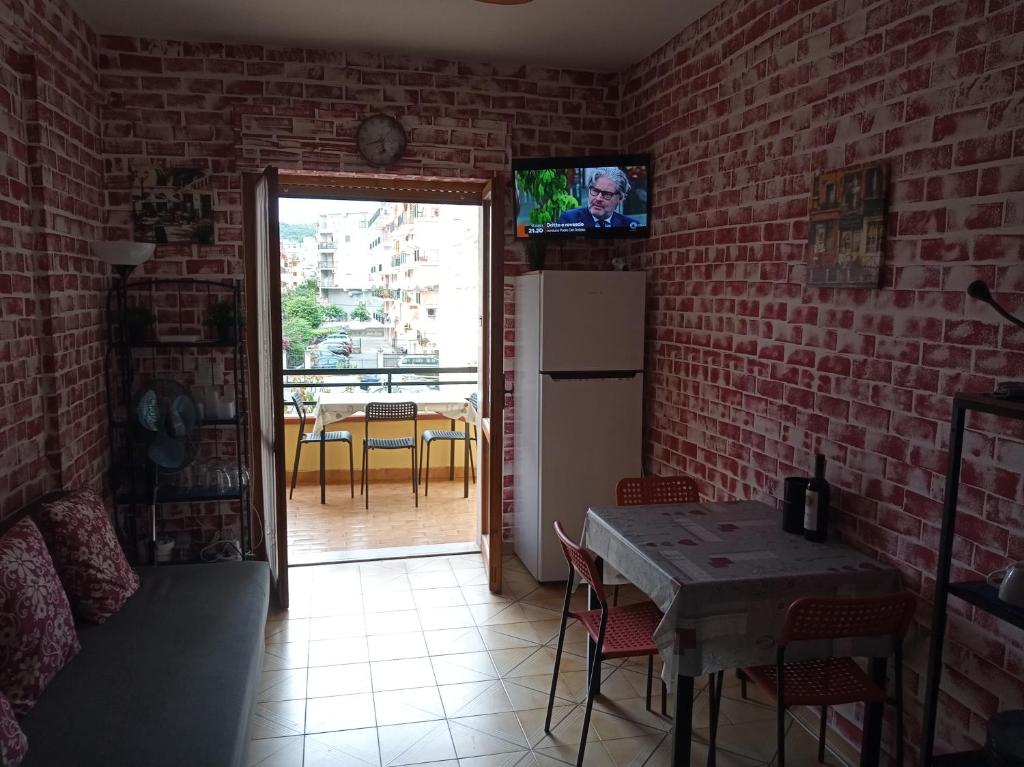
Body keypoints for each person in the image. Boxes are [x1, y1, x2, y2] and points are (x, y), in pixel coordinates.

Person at [557, 167, 639, 229]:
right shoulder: (569, 219)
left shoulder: (631, 224)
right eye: (595, 191)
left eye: (607, 194)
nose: (598, 198)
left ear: (620, 199)